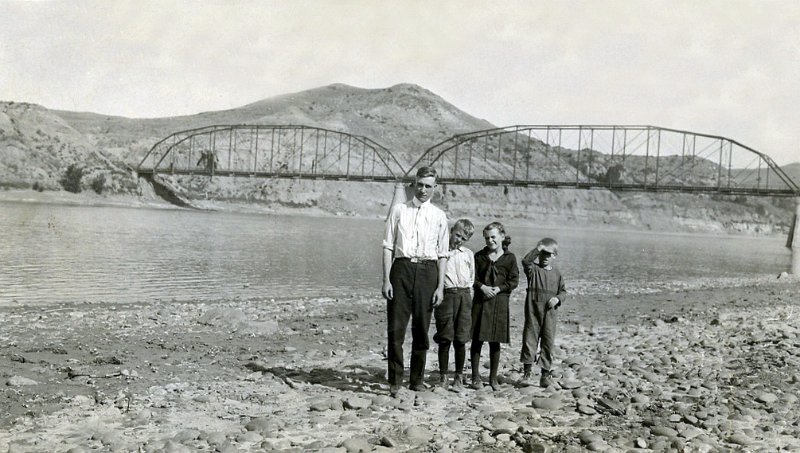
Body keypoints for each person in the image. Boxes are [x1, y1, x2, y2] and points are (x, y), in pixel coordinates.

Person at [382, 166, 449, 396]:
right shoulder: (399, 210)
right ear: (414, 184)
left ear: (435, 188)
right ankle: (395, 381)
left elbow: (442, 255)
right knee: (396, 329)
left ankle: (417, 380)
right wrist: (386, 280)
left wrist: (440, 287)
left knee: (421, 329)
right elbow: (388, 246)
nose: (423, 190)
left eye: (428, 186)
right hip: (401, 269)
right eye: (420, 184)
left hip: (428, 272)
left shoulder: (440, 216)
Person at [470, 221, 519, 390]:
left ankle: (492, 378)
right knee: (477, 339)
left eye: (493, 237)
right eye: (487, 238)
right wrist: (482, 287)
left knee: (495, 341)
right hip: (480, 302)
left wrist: (499, 288)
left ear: (502, 237)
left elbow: (514, 280)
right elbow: (471, 277)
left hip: (499, 302)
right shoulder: (479, 257)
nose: (490, 240)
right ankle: (475, 377)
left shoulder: (510, 258)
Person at [433, 218, 475, 391]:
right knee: (445, 337)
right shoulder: (439, 252)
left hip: (464, 295)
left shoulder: (468, 254)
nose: (459, 240)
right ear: (451, 231)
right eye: (457, 235)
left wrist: (469, 295)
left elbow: (472, 276)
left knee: (461, 339)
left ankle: (458, 376)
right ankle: (443, 376)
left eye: (463, 239)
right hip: (446, 295)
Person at [519, 237, 567, 388]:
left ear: (554, 256)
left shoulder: (557, 274)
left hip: (549, 315)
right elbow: (525, 261)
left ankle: (545, 375)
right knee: (529, 341)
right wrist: (538, 248)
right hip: (533, 313)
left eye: (548, 254)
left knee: (548, 343)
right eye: (542, 254)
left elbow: (563, 292)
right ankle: (526, 373)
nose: (545, 257)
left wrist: (557, 299)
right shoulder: (533, 270)